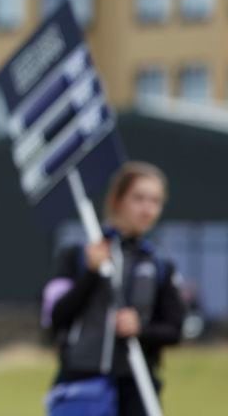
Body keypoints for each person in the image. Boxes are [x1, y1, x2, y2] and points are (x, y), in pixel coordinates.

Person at [42, 161, 185, 415]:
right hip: (82, 384)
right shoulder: (77, 254)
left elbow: (174, 329)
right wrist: (91, 273)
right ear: (118, 200)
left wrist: (139, 328)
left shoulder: (159, 262)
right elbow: (56, 316)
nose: (147, 209)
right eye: (139, 198)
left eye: (155, 201)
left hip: (137, 385)